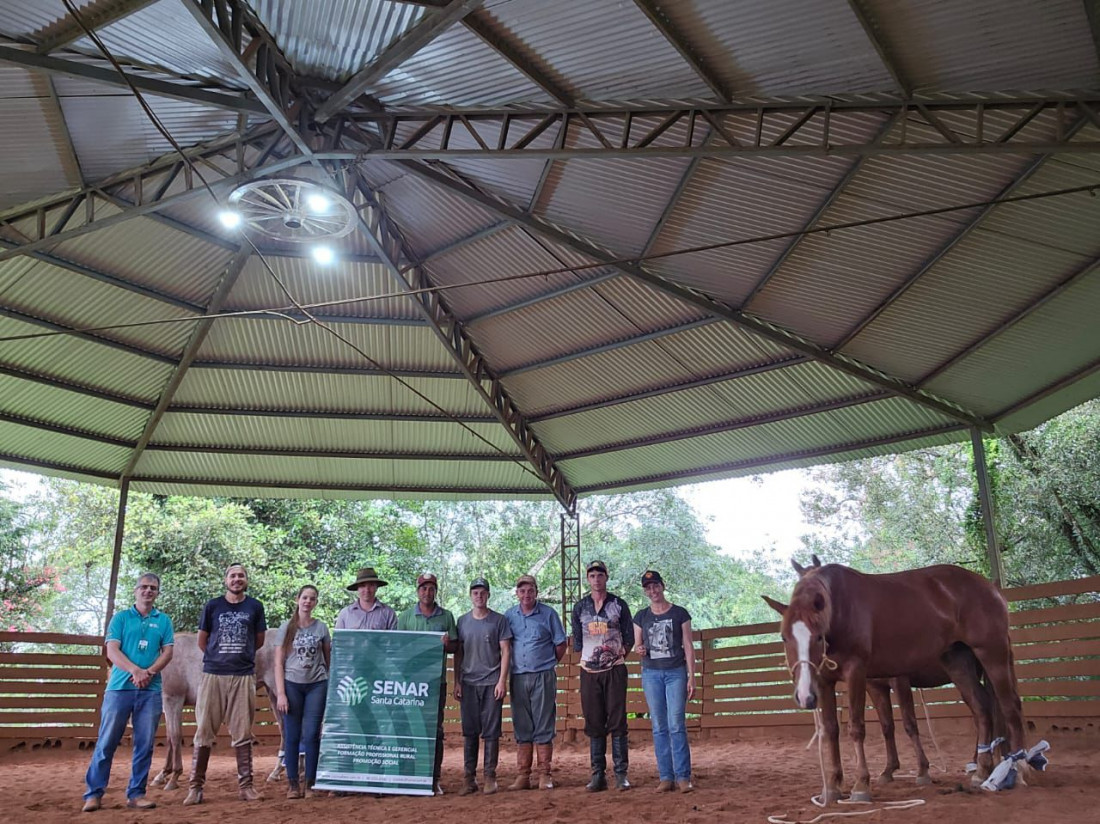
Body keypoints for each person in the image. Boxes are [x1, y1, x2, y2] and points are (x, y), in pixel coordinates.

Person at [82, 573, 175, 812]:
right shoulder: (121, 619)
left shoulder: (163, 621)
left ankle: (136, 793)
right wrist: (135, 670)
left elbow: (167, 652)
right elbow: (112, 651)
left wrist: (150, 672)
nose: (148, 591)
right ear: (135, 590)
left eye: (153, 588)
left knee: (144, 744)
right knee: (107, 742)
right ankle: (93, 794)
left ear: (158, 593)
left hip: (150, 691)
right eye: (143, 587)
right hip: (120, 688)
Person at [183, 563, 267, 805]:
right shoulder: (212, 606)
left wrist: (241, 656)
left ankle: (246, 787)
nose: (237, 579)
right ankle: (195, 788)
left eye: (241, 575)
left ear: (246, 580)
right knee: (204, 731)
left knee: (242, 732)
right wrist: (217, 656)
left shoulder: (255, 607)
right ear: (225, 580)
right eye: (233, 575)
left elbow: (258, 640)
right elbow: (202, 640)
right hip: (213, 674)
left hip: (242, 675)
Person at [571, 559, 633, 792]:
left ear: (606, 577)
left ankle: (621, 773)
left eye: (600, 575)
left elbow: (629, 636)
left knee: (618, 720)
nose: (596, 579)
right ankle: (597, 774)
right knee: (594, 720)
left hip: (615, 669)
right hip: (589, 671)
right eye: (592, 576)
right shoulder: (580, 607)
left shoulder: (619, 604)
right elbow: (577, 639)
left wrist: (617, 655)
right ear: (588, 579)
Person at [633, 570, 695, 793]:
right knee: (659, 726)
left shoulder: (680, 614)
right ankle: (666, 776)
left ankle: (683, 776)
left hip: (676, 672)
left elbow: (688, 645)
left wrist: (692, 676)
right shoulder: (641, 616)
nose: (653, 591)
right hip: (651, 673)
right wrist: (639, 649)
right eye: (648, 588)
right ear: (645, 591)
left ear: (663, 586)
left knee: (676, 724)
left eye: (656, 586)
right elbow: (637, 645)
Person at [397, 572, 459, 795]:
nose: (427, 592)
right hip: (410, 684)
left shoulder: (447, 617)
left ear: (436, 591)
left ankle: (434, 778)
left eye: (431, 588)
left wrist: (445, 644)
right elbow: (397, 649)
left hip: (436, 683)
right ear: (418, 591)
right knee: (408, 727)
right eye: (423, 588)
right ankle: (408, 776)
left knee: (436, 730)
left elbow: (455, 647)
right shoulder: (404, 618)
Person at [504, 573, 567, 791]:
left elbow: (561, 644)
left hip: (543, 675)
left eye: (530, 590)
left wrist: (547, 663)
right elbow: (504, 646)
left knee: (543, 722)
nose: (526, 594)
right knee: (522, 724)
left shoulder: (548, 614)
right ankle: (523, 775)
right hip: (518, 677)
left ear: (536, 592)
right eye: (522, 590)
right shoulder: (509, 616)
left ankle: (545, 774)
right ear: (517, 593)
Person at [454, 578, 512, 795]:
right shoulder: (462, 622)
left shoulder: (499, 621)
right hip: (468, 683)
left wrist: (501, 680)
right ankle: (469, 778)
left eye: (483, 593)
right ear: (470, 596)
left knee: (491, 732)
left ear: (488, 595)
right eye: (475, 592)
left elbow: (506, 650)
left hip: (491, 683)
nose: (479, 596)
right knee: (469, 732)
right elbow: (458, 653)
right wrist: (457, 681)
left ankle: (490, 776)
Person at [274, 585, 331, 799]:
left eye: (312, 598)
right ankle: (292, 784)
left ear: (316, 602)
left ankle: (310, 783)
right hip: (292, 685)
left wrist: (328, 683)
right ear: (297, 599)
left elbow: (327, 660)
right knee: (292, 734)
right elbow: (278, 663)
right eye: (305, 597)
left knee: (311, 734)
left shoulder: (322, 628)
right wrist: (281, 693)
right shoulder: (286, 628)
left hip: (316, 684)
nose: (308, 601)